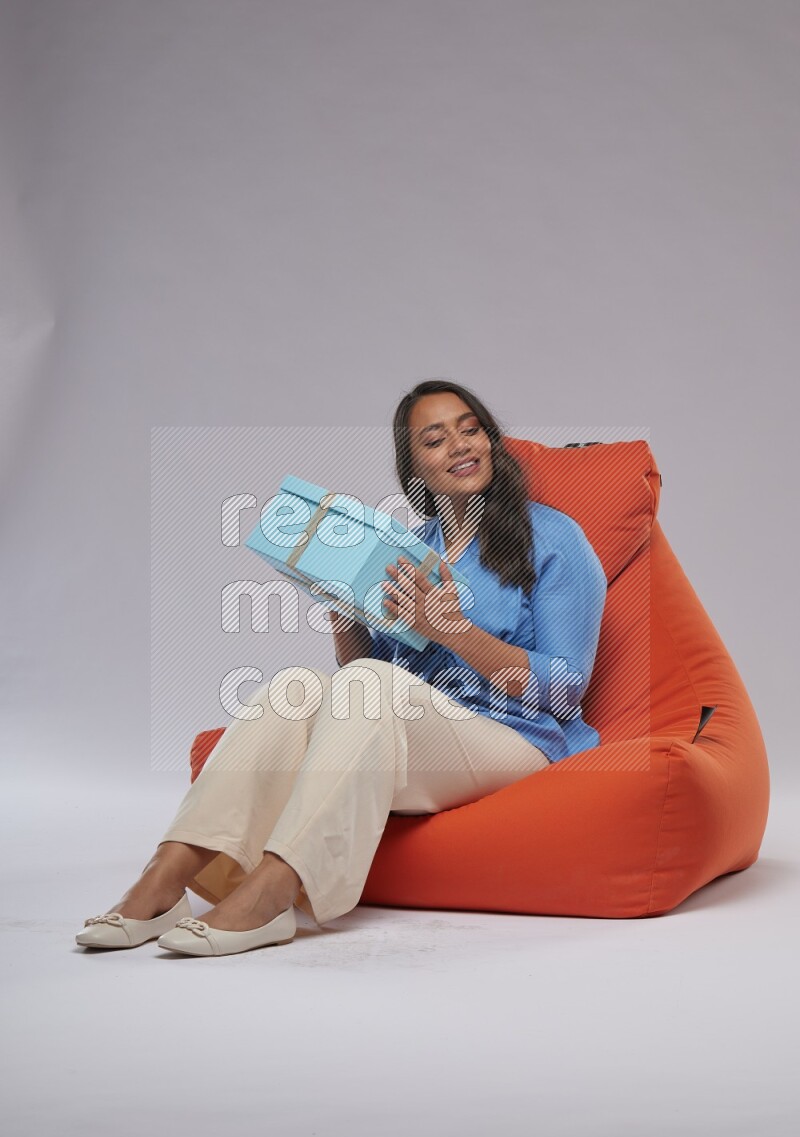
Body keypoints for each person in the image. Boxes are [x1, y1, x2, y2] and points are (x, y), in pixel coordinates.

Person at [74, 381, 607, 956]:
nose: (458, 444)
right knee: (295, 687)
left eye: (470, 428)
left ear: (492, 443)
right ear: (416, 470)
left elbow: (565, 688)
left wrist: (452, 631)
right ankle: (165, 877)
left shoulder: (553, 537)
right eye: (435, 439)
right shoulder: (410, 548)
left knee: (365, 686)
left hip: (518, 739)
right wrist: (346, 619)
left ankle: (272, 893)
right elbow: (376, 680)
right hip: (422, 738)